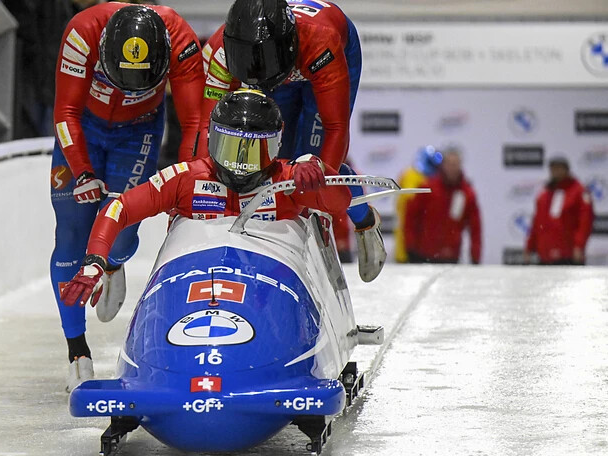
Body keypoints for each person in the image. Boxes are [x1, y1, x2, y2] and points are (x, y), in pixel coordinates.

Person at [60, 90, 376, 310]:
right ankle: (116, 268)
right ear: (212, 139)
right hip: (194, 280)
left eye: (252, 151)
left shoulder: (290, 180)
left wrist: (319, 170)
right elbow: (121, 207)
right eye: (230, 147)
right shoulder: (186, 178)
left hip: (268, 282)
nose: (239, 163)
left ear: (275, 146)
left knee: (342, 174)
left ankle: (368, 224)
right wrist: (95, 260)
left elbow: (340, 201)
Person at [50, 3, 204, 390]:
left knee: (121, 228)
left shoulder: (181, 41)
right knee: (71, 233)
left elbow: (195, 123)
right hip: (82, 126)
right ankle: (77, 350)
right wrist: (82, 171)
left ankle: (114, 264)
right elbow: (66, 111)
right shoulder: (81, 32)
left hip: (138, 130)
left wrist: (191, 184)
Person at [196, 0, 384, 281]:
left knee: (308, 161)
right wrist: (200, 188)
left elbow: (335, 127)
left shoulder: (322, 43)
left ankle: (365, 220)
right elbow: (206, 126)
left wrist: (317, 197)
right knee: (268, 161)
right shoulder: (220, 53)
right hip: (280, 70)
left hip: (324, 62)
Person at [404, 149, 482, 264]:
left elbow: (475, 227)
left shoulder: (467, 194)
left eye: (455, 164)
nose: (452, 168)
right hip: (422, 255)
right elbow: (410, 217)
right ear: (443, 165)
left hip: (450, 257)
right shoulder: (427, 188)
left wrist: (475, 256)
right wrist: (409, 247)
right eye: (449, 164)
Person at [524, 157, 594, 265]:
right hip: (545, 255)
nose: (555, 171)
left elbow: (585, 222)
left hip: (569, 254)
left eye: (558, 168)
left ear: (566, 170)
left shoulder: (579, 192)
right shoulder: (544, 195)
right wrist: (529, 247)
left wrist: (579, 246)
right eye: (553, 168)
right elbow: (537, 223)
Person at [395, 146, 443, 263]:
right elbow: (410, 206)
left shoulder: (428, 180)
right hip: (410, 238)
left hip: (424, 240)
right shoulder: (412, 176)